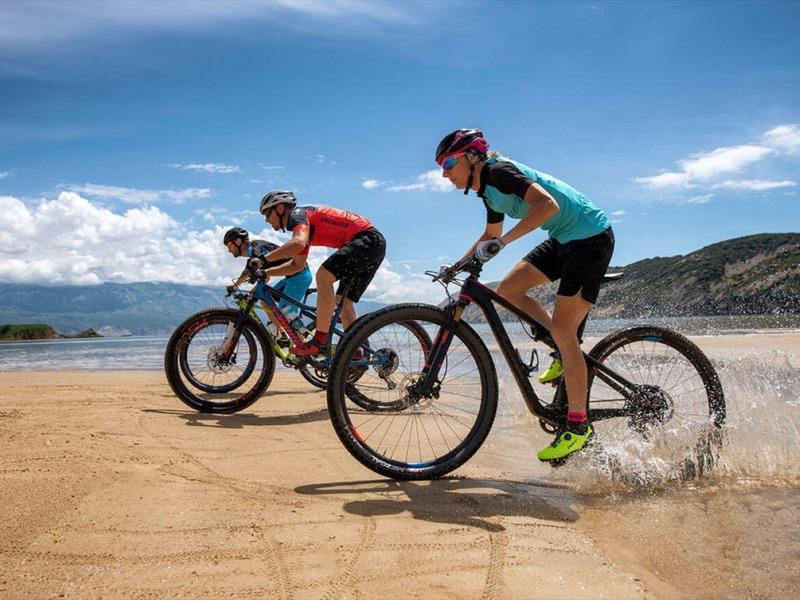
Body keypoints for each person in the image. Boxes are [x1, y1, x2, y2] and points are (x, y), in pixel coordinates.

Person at [435, 129, 614, 462]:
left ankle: (578, 427)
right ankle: (562, 349)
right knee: (510, 289)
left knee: (564, 331)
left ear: (472, 157)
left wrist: (503, 243)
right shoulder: (486, 191)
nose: (444, 173)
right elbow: (490, 234)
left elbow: (547, 205)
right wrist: (458, 265)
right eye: (441, 166)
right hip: (564, 237)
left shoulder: (499, 172)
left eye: (448, 163)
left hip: (591, 237)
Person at [256, 190, 386, 357]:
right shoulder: (304, 226)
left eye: (267, 214)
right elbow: (297, 265)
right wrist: (267, 272)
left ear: (280, 208)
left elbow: (297, 243)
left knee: (323, 276)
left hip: (366, 240)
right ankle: (356, 353)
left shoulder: (298, 214)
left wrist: (262, 260)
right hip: (372, 243)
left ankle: (320, 340)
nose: (267, 220)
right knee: (344, 303)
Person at [223, 227, 313, 345]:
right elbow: (248, 271)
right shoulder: (253, 252)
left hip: (300, 275)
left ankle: (304, 344)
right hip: (292, 277)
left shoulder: (257, 250)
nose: (228, 250)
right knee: (265, 301)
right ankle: (281, 334)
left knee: (285, 309)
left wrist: (251, 292)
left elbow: (264, 276)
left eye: (229, 245)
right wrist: (235, 286)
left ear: (238, 242)